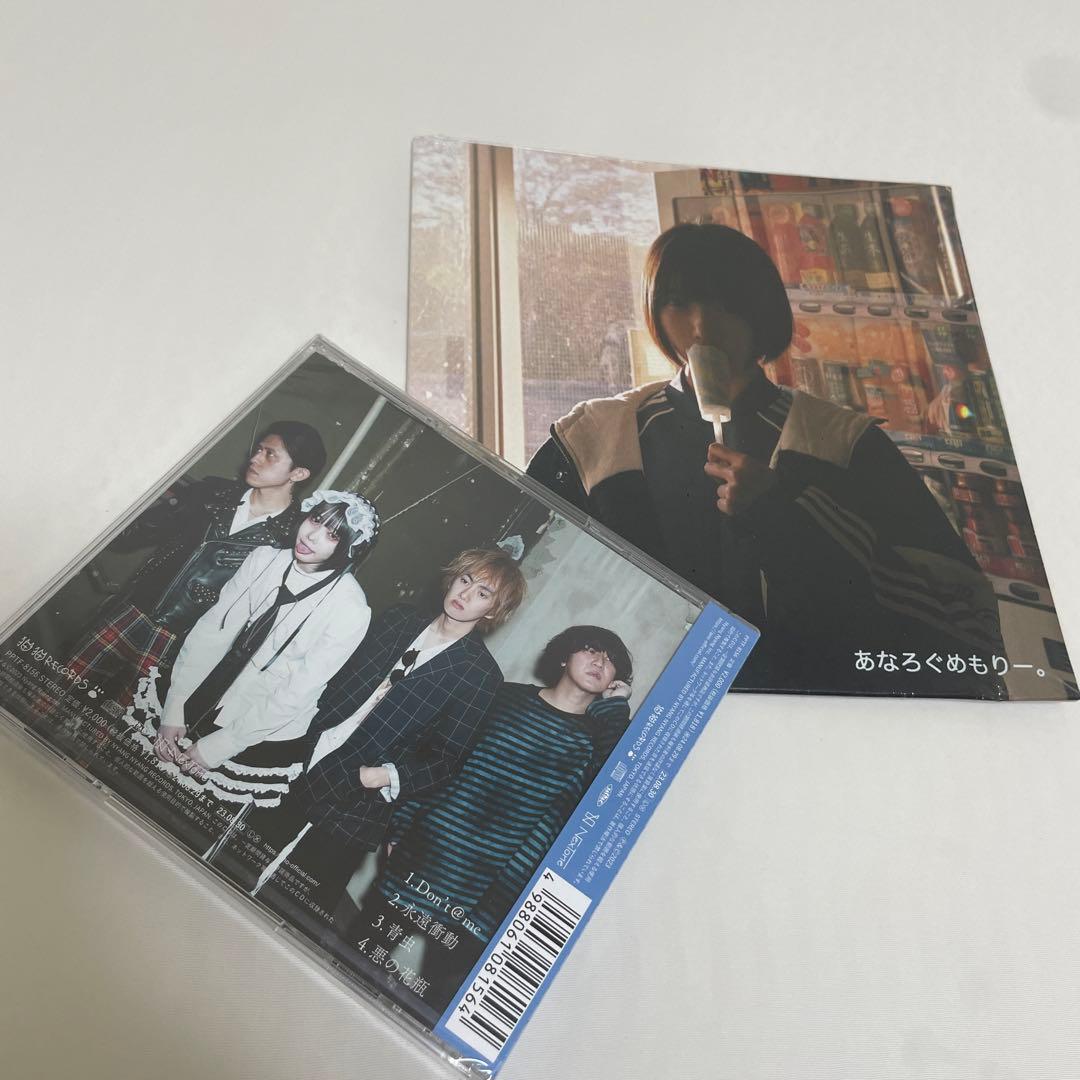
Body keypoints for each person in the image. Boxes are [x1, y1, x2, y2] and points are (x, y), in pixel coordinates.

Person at [527, 223, 1005, 698]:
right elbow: (524, 568)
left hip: (807, 709)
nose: (701, 327)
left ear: (762, 312)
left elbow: (965, 621)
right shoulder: (599, 436)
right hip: (644, 712)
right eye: (678, 303)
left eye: (725, 305)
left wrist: (785, 515)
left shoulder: (842, 442)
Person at [225, 547, 528, 925]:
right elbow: (339, 677)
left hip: (362, 790)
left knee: (300, 902)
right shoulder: (399, 619)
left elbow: (446, 760)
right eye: (465, 580)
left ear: (493, 610)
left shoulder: (480, 675)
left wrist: (380, 776)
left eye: (482, 593)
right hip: (308, 753)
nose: (465, 594)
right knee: (240, 855)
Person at [367, 626, 633, 1011]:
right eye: (590, 649)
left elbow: (612, 789)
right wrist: (401, 826)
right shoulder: (503, 697)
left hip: (497, 888)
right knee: (360, 952)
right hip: (432, 853)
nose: (600, 661)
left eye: (612, 660)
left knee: (437, 1002)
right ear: (563, 656)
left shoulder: (600, 739)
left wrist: (615, 709)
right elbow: (442, 760)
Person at [50, 421, 327, 722]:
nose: (255, 458)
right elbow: (132, 534)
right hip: (133, 611)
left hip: (182, 644)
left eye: (270, 454)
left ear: (298, 473)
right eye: (258, 449)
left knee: (115, 728)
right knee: (49, 693)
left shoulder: (292, 538)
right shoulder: (211, 492)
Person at [135, 490, 378, 807]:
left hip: (261, 726)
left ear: (349, 549)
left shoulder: (350, 609)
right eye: (315, 519)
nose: (312, 535)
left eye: (332, 535)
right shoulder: (264, 559)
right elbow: (213, 631)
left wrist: (223, 745)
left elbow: (298, 692)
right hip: (203, 687)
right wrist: (176, 705)